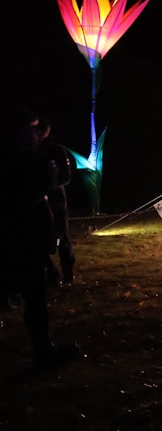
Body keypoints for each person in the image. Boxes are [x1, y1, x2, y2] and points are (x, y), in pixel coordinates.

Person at [0, 107, 82, 369]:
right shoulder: (15, 160)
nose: (35, 134)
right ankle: (43, 351)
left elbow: (59, 178)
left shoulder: (41, 154)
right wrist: (46, 176)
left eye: (37, 129)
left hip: (32, 232)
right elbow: (27, 190)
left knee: (34, 291)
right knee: (32, 292)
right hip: (20, 236)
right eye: (30, 129)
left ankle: (42, 346)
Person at [38, 116, 76, 287]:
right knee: (37, 241)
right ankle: (52, 275)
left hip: (56, 202)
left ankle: (68, 271)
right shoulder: (29, 152)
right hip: (36, 202)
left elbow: (66, 176)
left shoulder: (56, 151)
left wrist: (49, 184)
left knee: (61, 238)